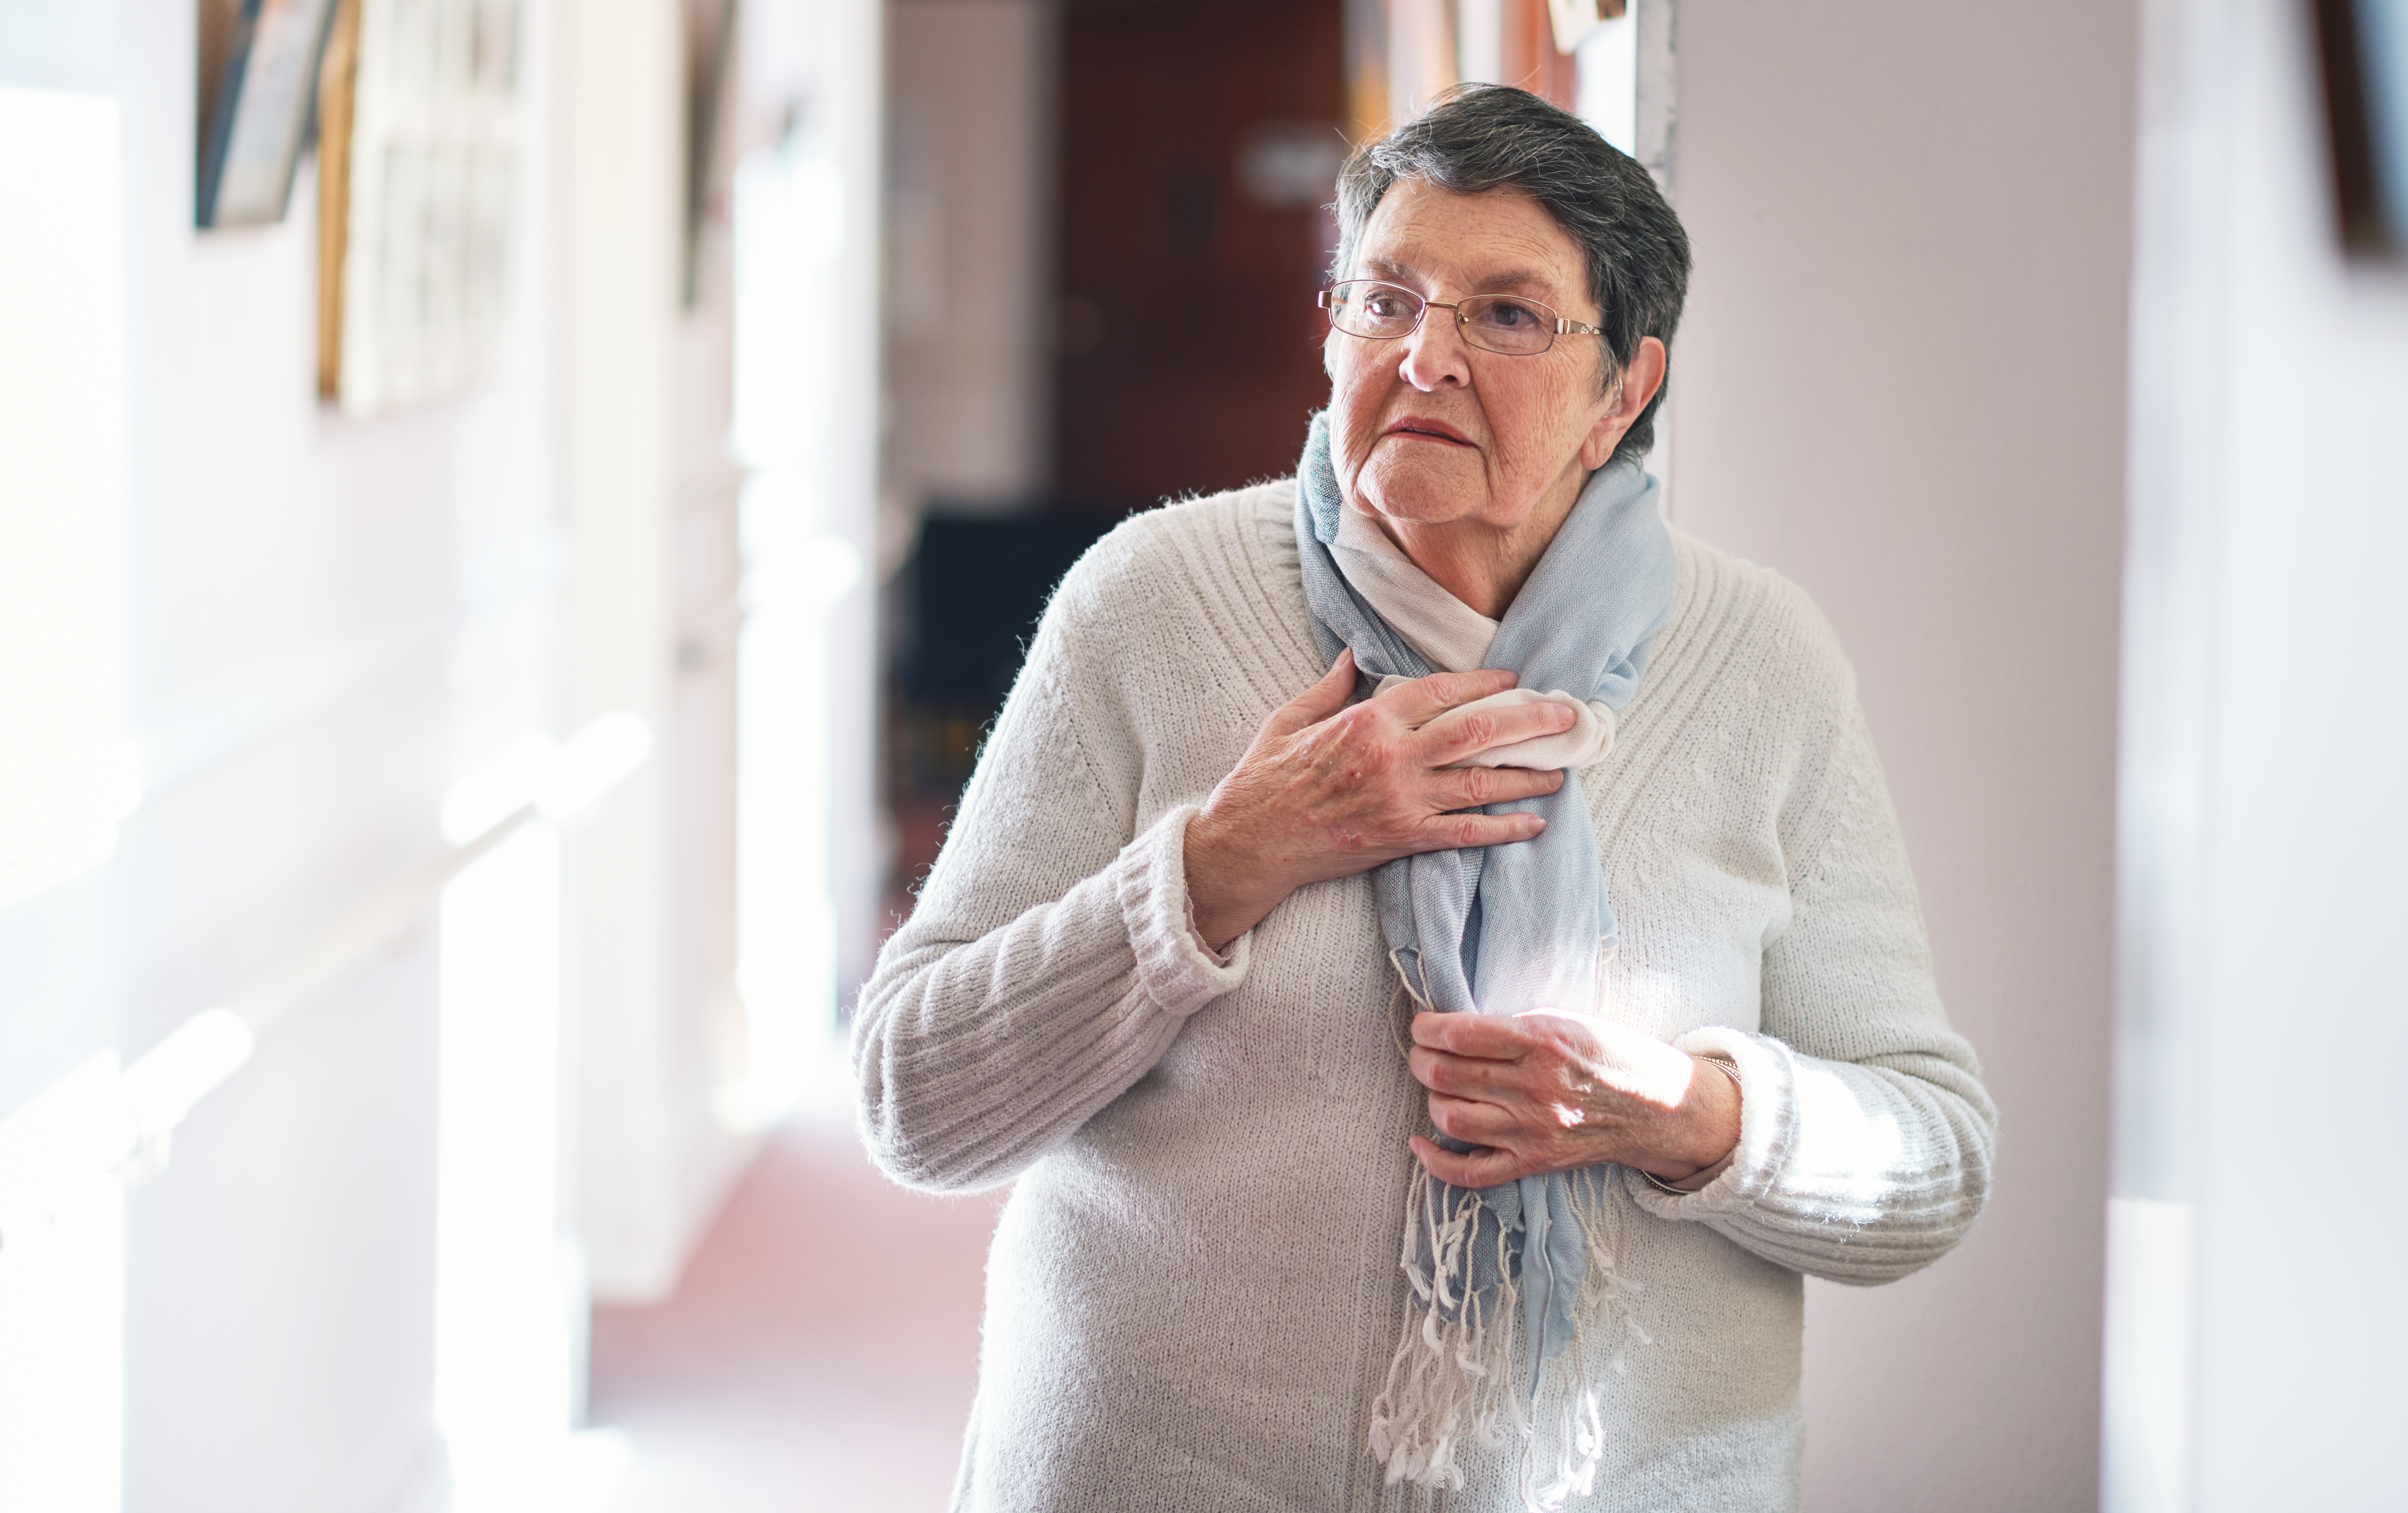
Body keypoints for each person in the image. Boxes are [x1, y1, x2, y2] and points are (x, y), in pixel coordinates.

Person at [853, 84, 1997, 1513]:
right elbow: (914, 1097)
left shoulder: (1762, 664)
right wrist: (1214, 866)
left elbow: (1934, 1157)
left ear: (1625, 390)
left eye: (1508, 316)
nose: (1426, 357)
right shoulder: (1148, 603)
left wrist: (1688, 1112)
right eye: (1385, 300)